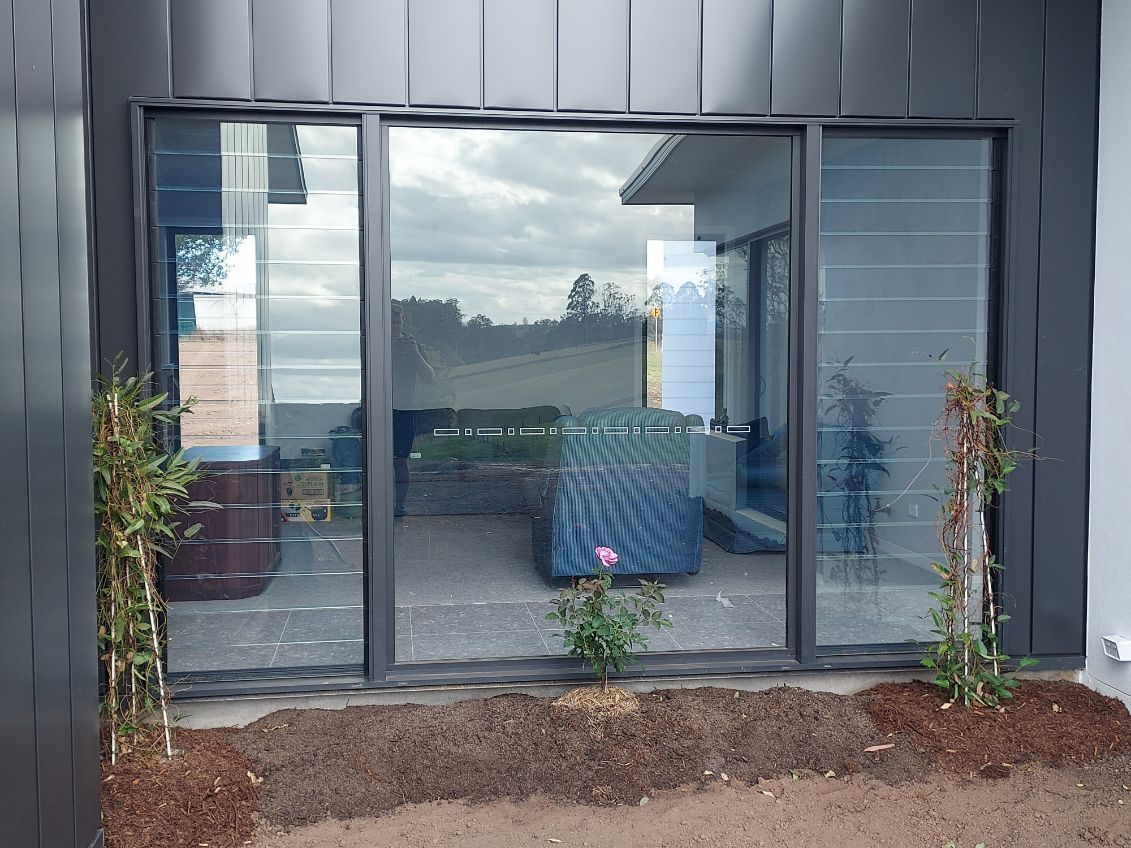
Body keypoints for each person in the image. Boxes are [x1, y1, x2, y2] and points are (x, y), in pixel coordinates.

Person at [391, 301, 435, 517]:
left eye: (398, 322)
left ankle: (399, 505)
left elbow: (430, 378)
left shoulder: (410, 345)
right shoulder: (376, 344)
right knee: (372, 459)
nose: (396, 327)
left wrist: (415, 353)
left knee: (401, 461)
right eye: (392, 323)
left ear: (403, 321)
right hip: (377, 410)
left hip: (404, 411)